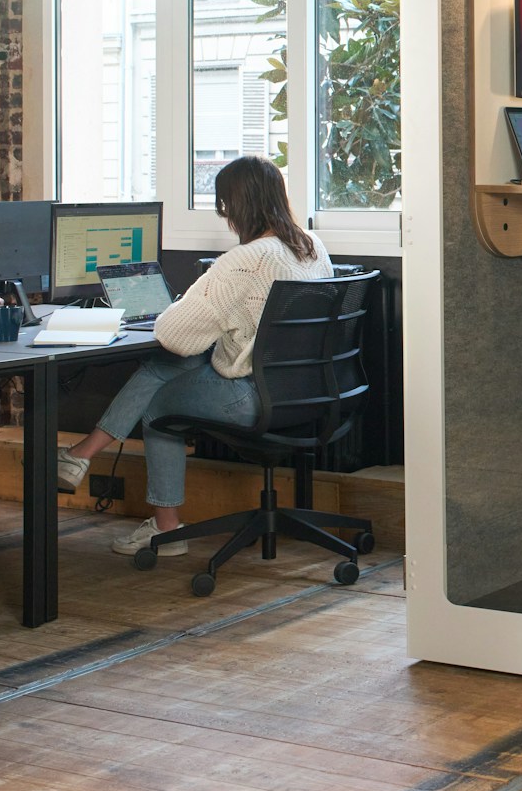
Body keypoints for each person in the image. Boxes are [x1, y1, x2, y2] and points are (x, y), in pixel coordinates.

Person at [53, 156, 334, 557]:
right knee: (169, 367)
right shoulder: (310, 246)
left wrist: (186, 301)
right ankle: (82, 455)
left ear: (236, 205)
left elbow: (173, 335)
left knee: (160, 406)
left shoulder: (246, 260)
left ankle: (165, 532)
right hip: (305, 390)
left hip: (251, 395)